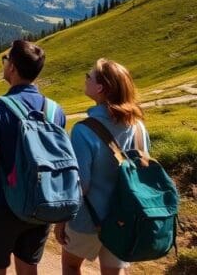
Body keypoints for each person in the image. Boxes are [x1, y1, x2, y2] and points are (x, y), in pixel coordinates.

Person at [0, 39, 67, 275]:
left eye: (5, 60)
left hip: (1, 205)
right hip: (40, 203)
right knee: (29, 268)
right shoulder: (56, 111)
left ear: (12, 67)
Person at [54, 59, 149, 275]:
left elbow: (81, 184)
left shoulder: (83, 130)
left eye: (89, 76)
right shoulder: (138, 128)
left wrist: (61, 221)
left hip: (88, 219)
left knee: (70, 266)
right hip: (125, 218)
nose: (85, 79)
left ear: (100, 88)